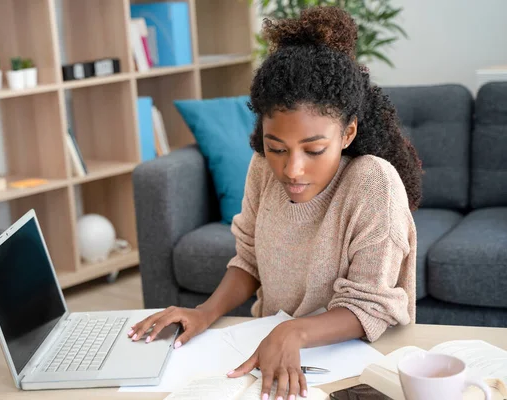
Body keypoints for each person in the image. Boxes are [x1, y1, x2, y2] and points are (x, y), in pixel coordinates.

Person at [128, 6, 422, 400]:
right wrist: (204, 312)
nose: (292, 170)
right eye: (276, 146)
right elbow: (248, 259)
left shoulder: (372, 182)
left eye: (314, 149)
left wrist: (293, 331)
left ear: (348, 132)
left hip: (356, 365)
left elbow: (370, 306)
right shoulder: (263, 168)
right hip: (274, 347)